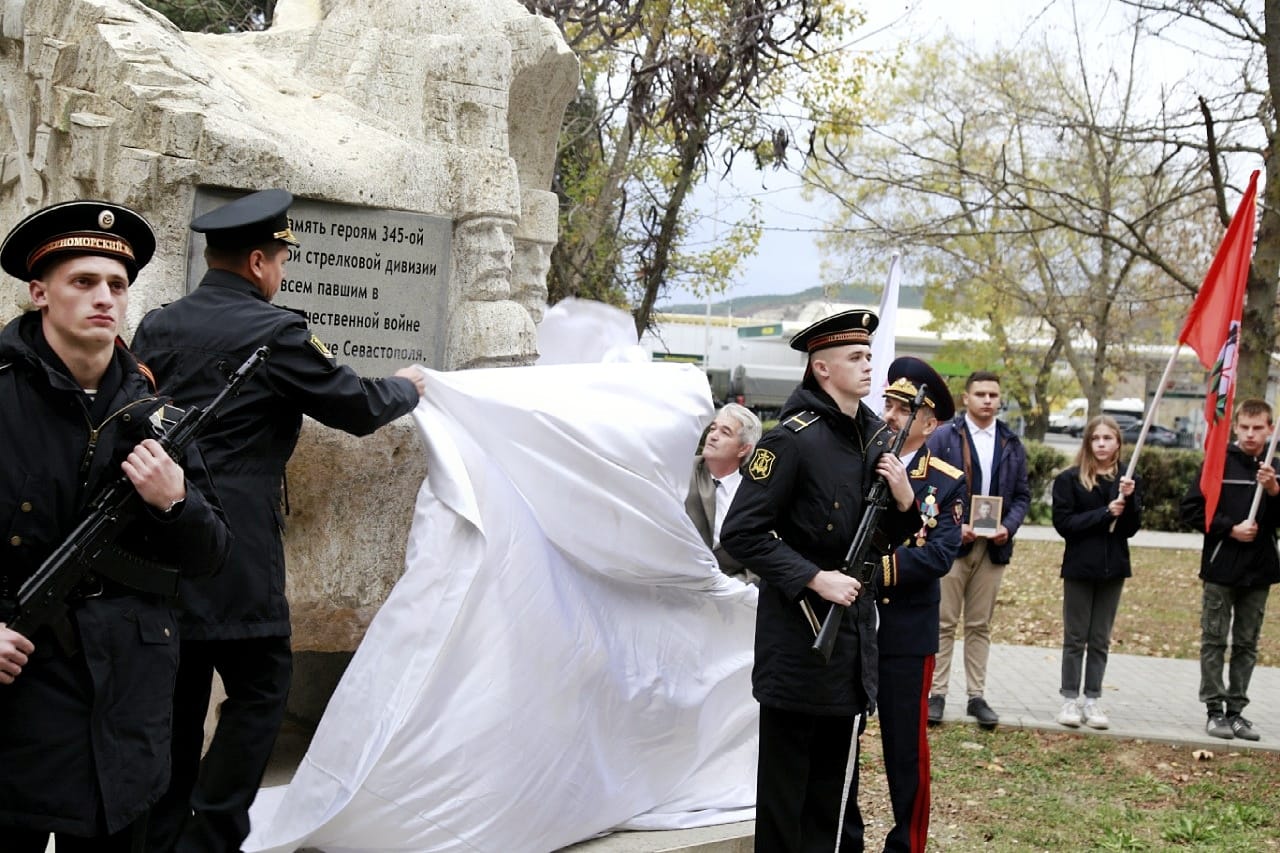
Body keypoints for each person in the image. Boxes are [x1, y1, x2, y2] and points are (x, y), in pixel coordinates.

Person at [130, 189, 428, 852]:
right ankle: (212, 833)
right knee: (264, 688)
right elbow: (353, 403)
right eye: (283, 259)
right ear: (260, 261)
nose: (284, 272)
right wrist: (410, 384)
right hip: (236, 554)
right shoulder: (277, 332)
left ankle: (164, 835)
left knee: (177, 706)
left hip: (166, 543)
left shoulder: (159, 325)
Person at [0, 200, 230, 849]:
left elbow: (213, 554)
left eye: (117, 285)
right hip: (19, 686)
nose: (104, 297)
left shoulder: (154, 413)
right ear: (39, 292)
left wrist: (174, 499)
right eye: (84, 281)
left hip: (124, 699)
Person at [720, 309, 922, 853]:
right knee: (787, 799)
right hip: (798, 643)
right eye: (855, 358)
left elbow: (885, 535)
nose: (867, 366)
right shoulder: (791, 440)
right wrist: (813, 577)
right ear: (822, 368)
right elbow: (740, 533)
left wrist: (905, 499)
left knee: (833, 802)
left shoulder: (875, 437)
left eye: (867, 356)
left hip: (852, 646)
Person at [875, 357, 965, 853]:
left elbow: (938, 554)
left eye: (902, 408)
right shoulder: (863, 459)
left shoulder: (946, 478)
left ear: (928, 423)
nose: (889, 414)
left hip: (906, 631)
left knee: (905, 749)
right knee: (838, 742)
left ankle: (905, 845)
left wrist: (876, 572)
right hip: (852, 621)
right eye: (888, 403)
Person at [925, 370, 1030, 730]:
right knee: (943, 622)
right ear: (965, 398)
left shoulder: (1011, 442)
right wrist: (955, 528)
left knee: (980, 624)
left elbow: (1022, 496)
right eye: (980, 394)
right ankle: (936, 695)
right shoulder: (944, 437)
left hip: (993, 549)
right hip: (952, 545)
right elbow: (929, 488)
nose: (988, 400)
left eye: (993, 395)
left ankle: (976, 696)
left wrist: (1008, 526)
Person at [1179, 397, 1280, 742]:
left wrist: (1274, 490)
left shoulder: (1275, 467)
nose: (1251, 435)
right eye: (1245, 427)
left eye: (1258, 428)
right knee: (1214, 639)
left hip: (1259, 571)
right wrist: (1229, 528)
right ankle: (1214, 709)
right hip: (1221, 567)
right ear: (1235, 427)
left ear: (1270, 428)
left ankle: (1237, 710)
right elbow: (1192, 510)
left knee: (1247, 643)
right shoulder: (1217, 463)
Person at [1051, 416, 1140, 730]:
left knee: (1100, 638)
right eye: (1096, 438)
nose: (1102, 444)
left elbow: (1131, 529)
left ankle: (1092, 698)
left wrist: (1128, 502)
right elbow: (1065, 525)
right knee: (1076, 637)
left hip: (1113, 568)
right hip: (1079, 567)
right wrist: (1104, 513)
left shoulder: (1126, 480)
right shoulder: (1069, 479)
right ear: (1087, 443)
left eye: (1108, 438)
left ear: (1118, 442)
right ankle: (1069, 699)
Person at [685, 402, 763, 581]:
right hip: (673, 589)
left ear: (743, 449)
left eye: (725, 432)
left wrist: (734, 589)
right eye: (713, 429)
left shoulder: (754, 496)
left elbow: (761, 560)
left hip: (729, 596)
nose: (713, 436)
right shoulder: (683, 471)